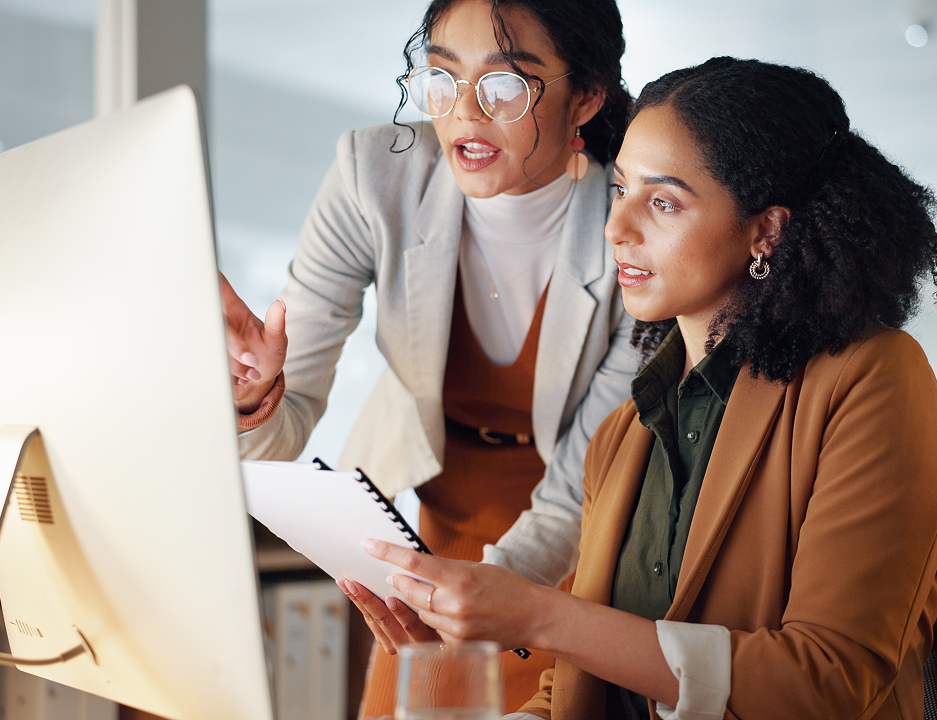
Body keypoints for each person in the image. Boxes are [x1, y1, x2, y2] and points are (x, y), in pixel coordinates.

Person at [357, 56, 937, 720]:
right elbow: (577, 690)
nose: (617, 227)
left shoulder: (872, 380)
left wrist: (537, 616)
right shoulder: (623, 431)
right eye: (619, 190)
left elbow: (824, 684)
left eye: (663, 201)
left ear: (767, 230)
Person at [220, 0, 638, 714]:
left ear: (587, 97)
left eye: (506, 85)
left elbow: (578, 490)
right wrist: (254, 394)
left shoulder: (631, 220)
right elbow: (283, 429)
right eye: (442, 78)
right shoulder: (373, 176)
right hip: (436, 532)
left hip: (593, 543)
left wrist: (474, 603)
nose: (464, 114)